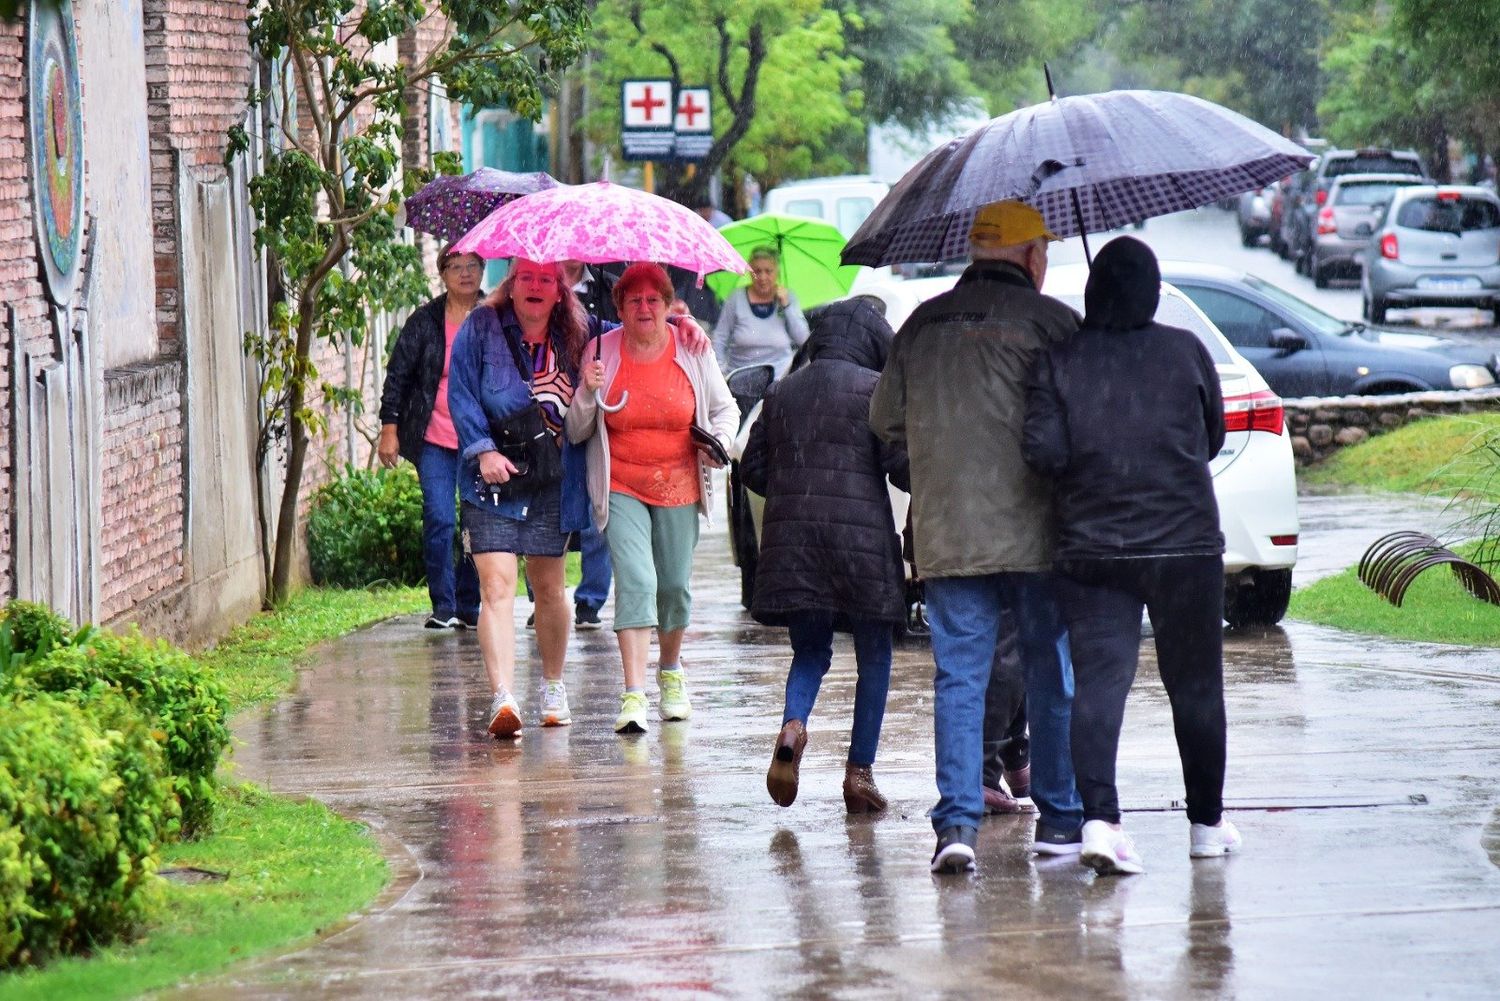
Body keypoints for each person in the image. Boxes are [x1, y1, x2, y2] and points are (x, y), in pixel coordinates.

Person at [869, 199, 1084, 874]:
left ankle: (956, 822)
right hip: (1037, 534)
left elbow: (883, 420)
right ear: (1032, 256)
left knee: (959, 675)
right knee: (1051, 670)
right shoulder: (1056, 325)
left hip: (948, 531)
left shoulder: (921, 324)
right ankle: (1060, 816)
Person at [1023, 236, 1240, 875]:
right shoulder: (1186, 351)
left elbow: (1044, 454)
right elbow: (1211, 438)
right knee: (1197, 687)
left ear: (1092, 292)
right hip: (1186, 545)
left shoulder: (1059, 361)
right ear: (1150, 291)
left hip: (1092, 549)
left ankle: (1099, 822)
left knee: (1099, 687)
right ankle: (1205, 824)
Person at [740, 299, 909, 814]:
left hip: (797, 549)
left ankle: (793, 726)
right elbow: (901, 469)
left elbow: (752, 469)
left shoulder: (782, 391)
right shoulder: (875, 391)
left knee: (810, 651)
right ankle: (859, 774)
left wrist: (795, 489)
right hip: (862, 549)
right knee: (874, 656)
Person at [566, 263, 738, 735]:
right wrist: (587, 390)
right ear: (619, 307)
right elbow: (578, 429)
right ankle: (634, 694)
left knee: (674, 588)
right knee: (637, 580)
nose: (644, 308)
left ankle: (671, 671)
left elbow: (725, 408)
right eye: (634, 300)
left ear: (667, 306)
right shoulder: (601, 350)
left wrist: (719, 440)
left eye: (653, 300)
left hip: (680, 482)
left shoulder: (691, 347)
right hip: (621, 484)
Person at [447, 259, 593, 738]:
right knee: (496, 587)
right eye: (525, 277)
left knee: (549, 587)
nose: (534, 286)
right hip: (493, 476)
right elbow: (462, 394)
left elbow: (630, 331)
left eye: (545, 279)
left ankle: (552, 686)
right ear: (511, 286)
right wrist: (483, 449)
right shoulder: (482, 327)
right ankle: (503, 696)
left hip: (552, 476)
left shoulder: (579, 330)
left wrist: (682, 325)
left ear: (559, 289)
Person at [377, 245, 484, 630]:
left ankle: (470, 606)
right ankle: (444, 605)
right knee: (440, 518)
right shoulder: (423, 322)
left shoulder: (495, 318)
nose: (465, 273)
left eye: (472, 265)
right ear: (442, 273)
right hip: (434, 439)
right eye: (456, 266)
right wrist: (390, 428)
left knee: (476, 525)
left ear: (482, 269)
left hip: (480, 442)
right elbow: (398, 377)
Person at [711, 246, 810, 375]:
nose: (762, 277)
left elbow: (803, 339)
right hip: (741, 378)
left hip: (780, 379)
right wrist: (720, 372)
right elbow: (720, 338)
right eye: (757, 271)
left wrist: (787, 306)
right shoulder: (736, 297)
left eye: (768, 271)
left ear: (777, 272)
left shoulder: (788, 296)